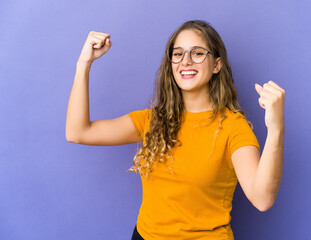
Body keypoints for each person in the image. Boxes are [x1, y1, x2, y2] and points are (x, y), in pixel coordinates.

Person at [66, 20, 285, 240]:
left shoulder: (232, 127)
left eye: (198, 53)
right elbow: (77, 132)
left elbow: (262, 198)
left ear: (217, 65)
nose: (186, 61)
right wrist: (83, 64)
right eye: (178, 54)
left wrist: (276, 129)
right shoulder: (152, 120)